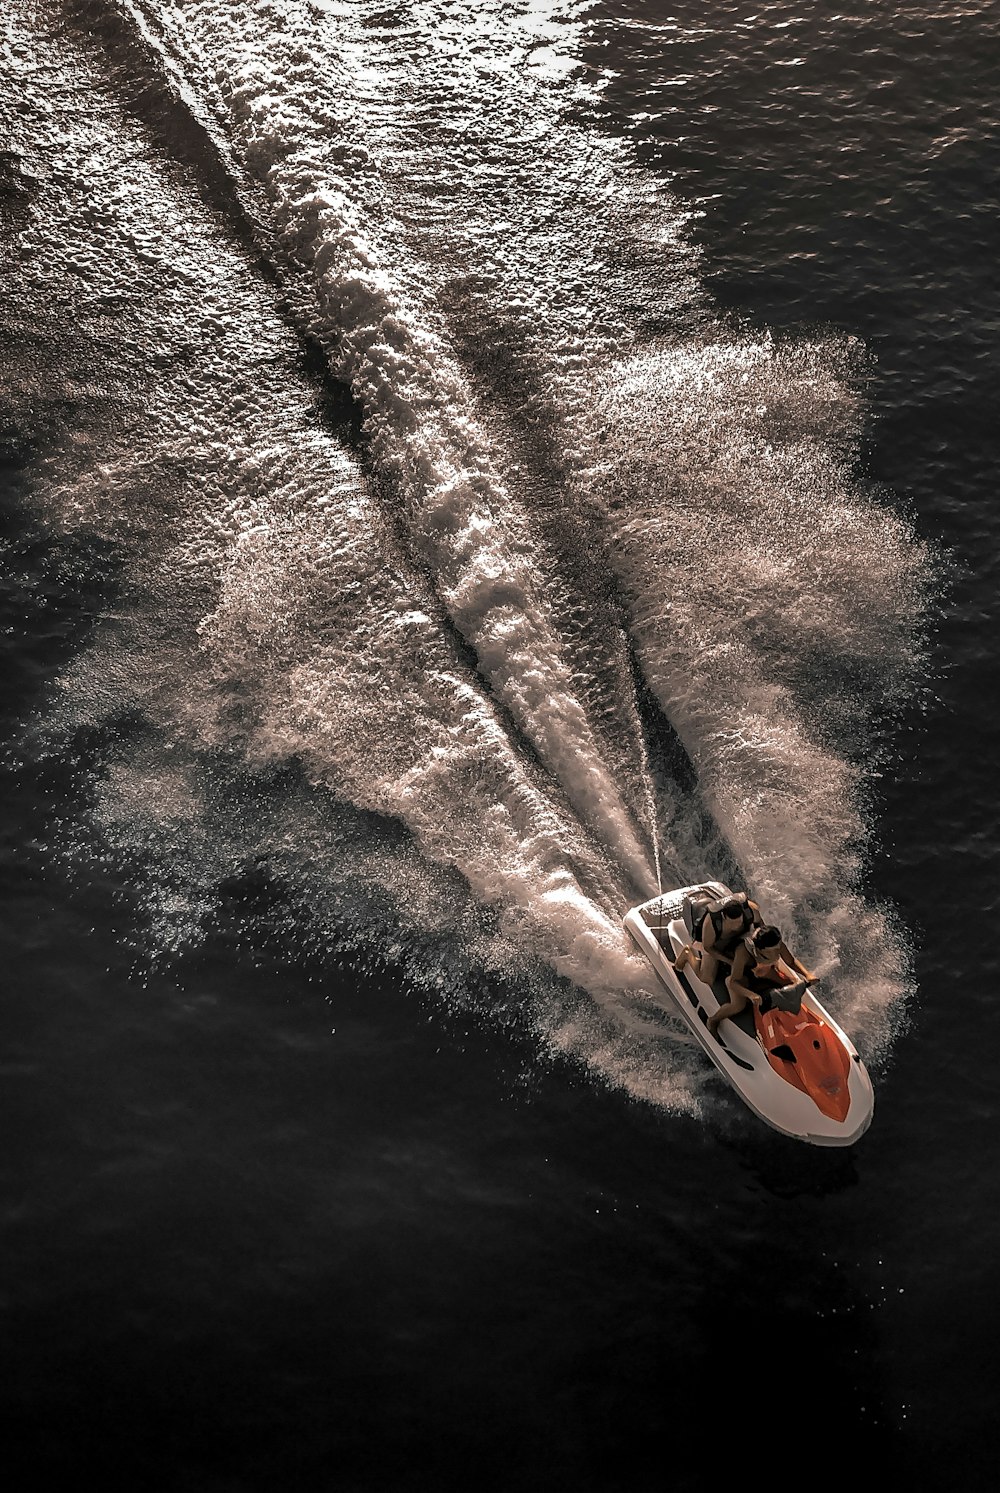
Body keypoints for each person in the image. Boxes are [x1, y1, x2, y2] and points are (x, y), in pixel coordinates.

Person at [707, 924, 815, 1037]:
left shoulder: (776, 943)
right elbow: (733, 982)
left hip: (763, 971)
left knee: (790, 984)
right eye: (773, 949)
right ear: (761, 949)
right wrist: (750, 995)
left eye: (778, 945)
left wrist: (807, 975)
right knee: (738, 1005)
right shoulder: (743, 953)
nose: (778, 949)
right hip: (741, 976)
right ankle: (713, 1020)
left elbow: (791, 962)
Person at [673, 894, 762, 987]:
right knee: (706, 978)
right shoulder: (711, 923)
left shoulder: (752, 910)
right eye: (732, 924)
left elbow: (762, 928)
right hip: (716, 943)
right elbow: (708, 947)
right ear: (724, 916)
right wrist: (729, 961)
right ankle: (687, 954)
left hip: (741, 936)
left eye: (739, 922)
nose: (736, 927)